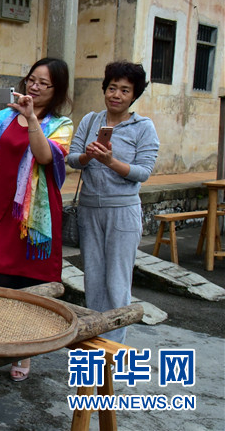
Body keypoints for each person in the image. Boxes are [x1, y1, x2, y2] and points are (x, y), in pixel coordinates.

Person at [0, 58, 73, 386]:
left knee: (28, 287)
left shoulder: (61, 124)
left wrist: (32, 119)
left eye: (43, 83)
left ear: (57, 90)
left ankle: (23, 351)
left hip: (32, 217)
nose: (34, 87)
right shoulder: (3, 117)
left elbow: (45, 156)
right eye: (31, 79)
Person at [67, 62, 159, 344]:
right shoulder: (91, 120)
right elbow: (71, 158)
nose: (116, 94)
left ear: (134, 95)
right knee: (93, 280)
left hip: (122, 211)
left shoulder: (143, 127)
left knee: (117, 282)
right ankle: (96, 341)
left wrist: (111, 161)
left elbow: (143, 172)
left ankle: (114, 345)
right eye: (112, 88)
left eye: (124, 90)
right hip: (89, 211)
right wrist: (88, 157)